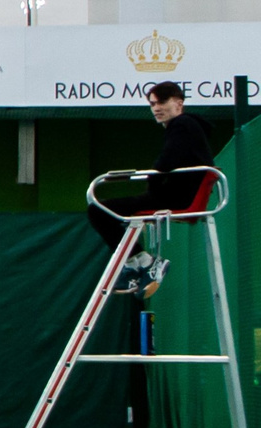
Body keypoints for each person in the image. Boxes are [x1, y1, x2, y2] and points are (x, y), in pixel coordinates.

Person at [92, 80, 216, 297]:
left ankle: (142, 262)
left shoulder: (182, 124)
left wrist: (152, 181)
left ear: (179, 103)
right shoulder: (187, 127)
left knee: (98, 210)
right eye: (152, 104)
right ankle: (139, 262)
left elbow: (167, 160)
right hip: (176, 195)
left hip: (176, 199)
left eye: (162, 102)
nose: (156, 108)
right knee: (107, 210)